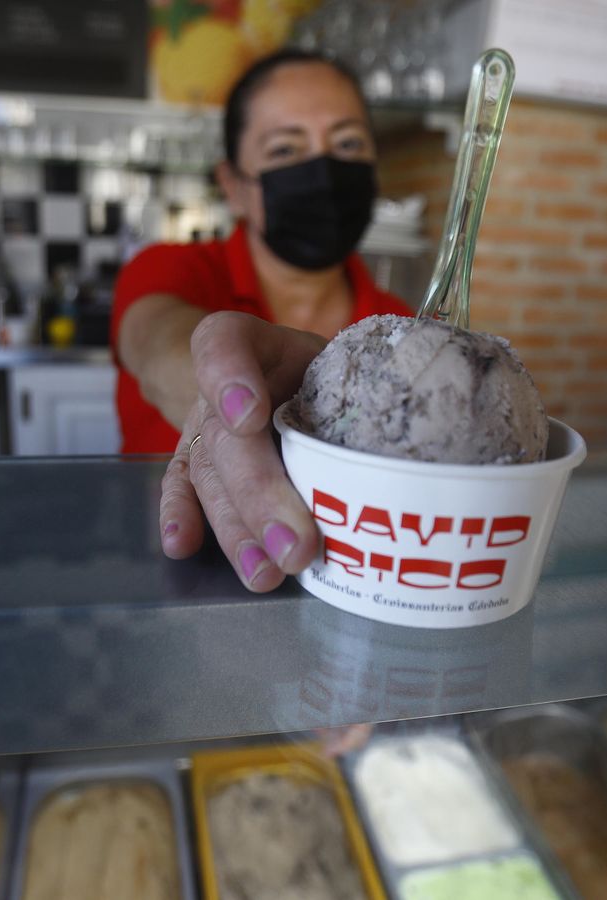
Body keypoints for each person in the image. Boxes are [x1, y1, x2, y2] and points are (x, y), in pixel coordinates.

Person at [112, 50, 415, 594]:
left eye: (347, 144)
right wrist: (225, 389)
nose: (322, 171)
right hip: (166, 583)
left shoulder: (398, 327)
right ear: (233, 185)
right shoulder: (169, 270)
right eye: (285, 149)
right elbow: (157, 344)